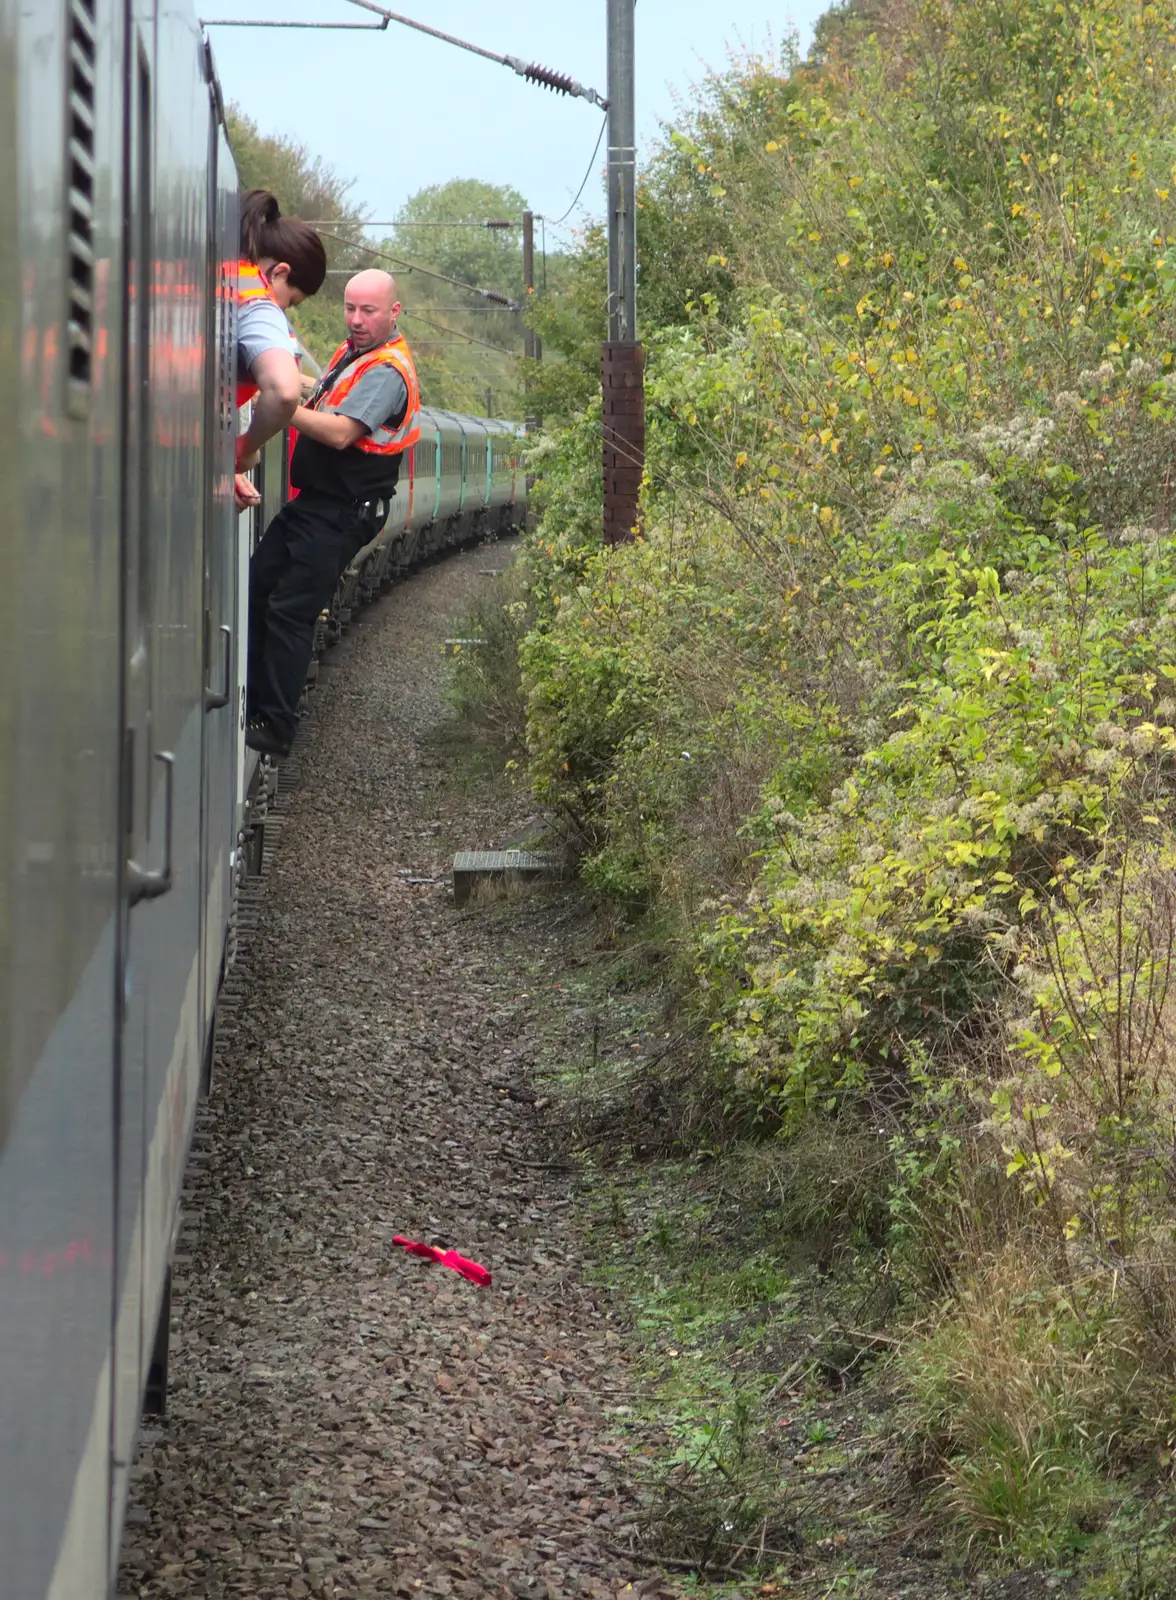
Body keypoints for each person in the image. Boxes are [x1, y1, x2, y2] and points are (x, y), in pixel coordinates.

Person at [245, 268, 420, 756]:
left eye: (368, 311)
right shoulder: (354, 354)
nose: (357, 319)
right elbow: (321, 387)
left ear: (393, 312)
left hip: (342, 512)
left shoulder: (387, 371)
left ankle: (275, 724)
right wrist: (274, 373)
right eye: (350, 308)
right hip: (316, 503)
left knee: (290, 611)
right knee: (258, 587)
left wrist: (278, 402)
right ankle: (251, 703)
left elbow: (342, 432)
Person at [234, 189, 327, 511]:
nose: (284, 312)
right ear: (280, 273)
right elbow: (285, 391)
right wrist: (245, 449)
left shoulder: (210, 272)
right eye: (292, 301)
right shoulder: (259, 305)